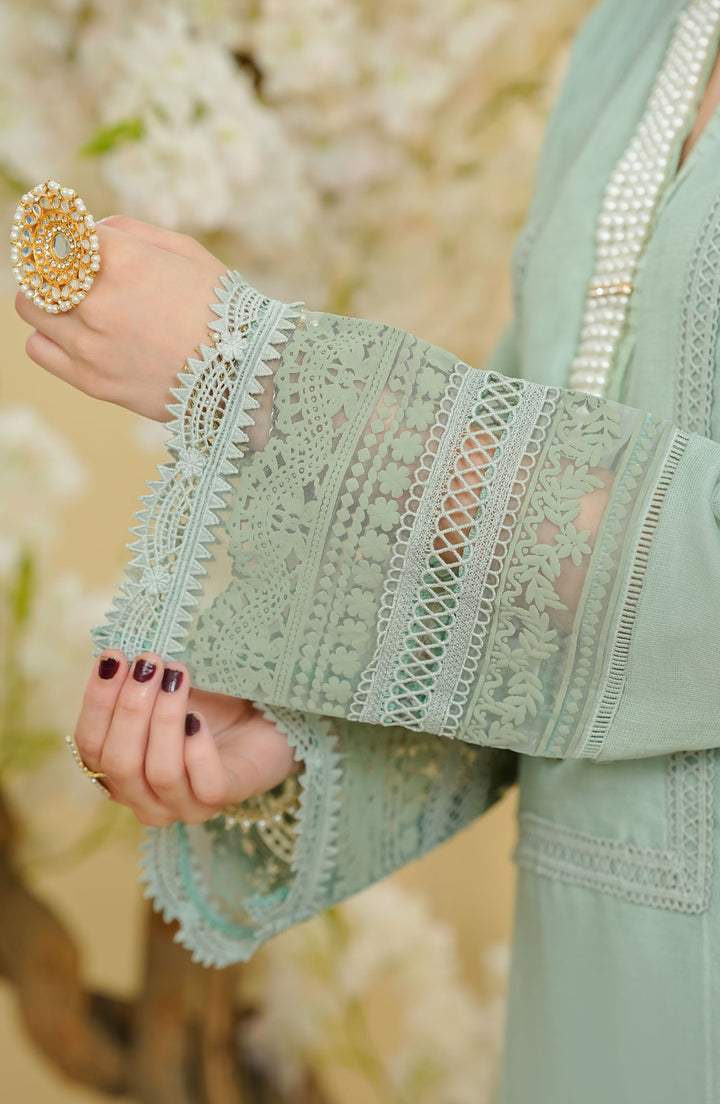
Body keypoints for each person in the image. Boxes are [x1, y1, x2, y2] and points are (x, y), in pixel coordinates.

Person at [13, 0, 720, 1100]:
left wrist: (265, 375)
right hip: (584, 1004)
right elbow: (530, 559)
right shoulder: (637, 36)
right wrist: (307, 714)